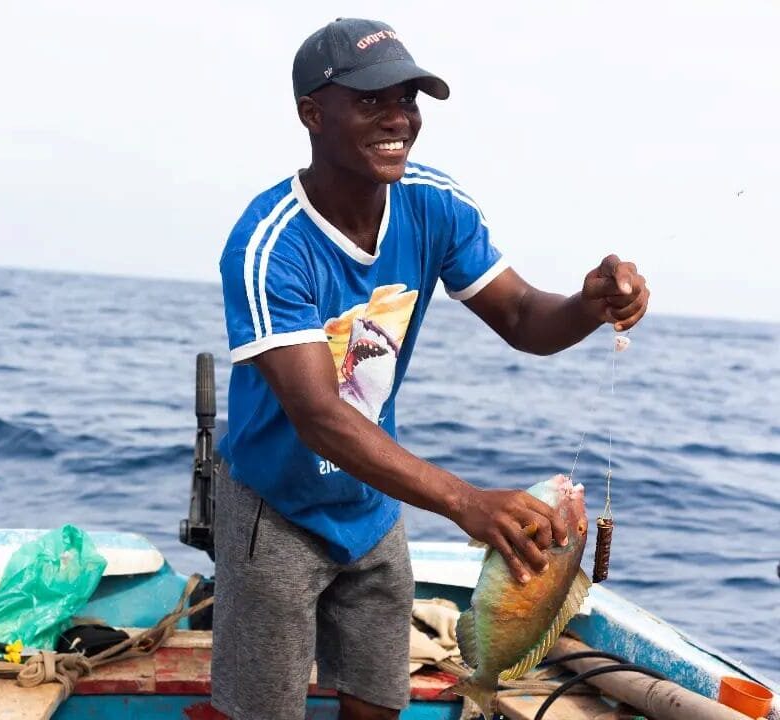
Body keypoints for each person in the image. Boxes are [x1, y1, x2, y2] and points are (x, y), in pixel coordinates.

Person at [211, 17, 650, 720]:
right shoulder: (269, 244)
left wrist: (589, 305)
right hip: (275, 506)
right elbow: (320, 416)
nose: (398, 119)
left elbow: (522, 319)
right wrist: (465, 502)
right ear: (312, 114)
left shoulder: (434, 202)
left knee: (380, 703)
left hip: (372, 504)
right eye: (372, 100)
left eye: (409, 100)